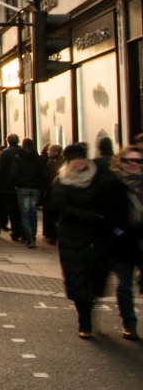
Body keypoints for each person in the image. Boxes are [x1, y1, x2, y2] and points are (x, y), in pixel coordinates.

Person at [52, 142, 128, 339]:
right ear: (68, 162)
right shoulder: (61, 181)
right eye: (74, 159)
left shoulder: (101, 177)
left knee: (97, 277)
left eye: (81, 158)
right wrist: (93, 217)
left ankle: (89, 310)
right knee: (78, 279)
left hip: (99, 236)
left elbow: (114, 199)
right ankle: (84, 321)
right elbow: (62, 208)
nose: (79, 162)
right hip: (73, 238)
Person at [109, 145, 143, 340]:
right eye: (128, 160)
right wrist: (117, 231)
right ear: (119, 162)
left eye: (138, 161)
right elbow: (106, 213)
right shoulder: (113, 184)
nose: (133, 164)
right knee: (124, 286)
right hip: (123, 241)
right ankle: (129, 323)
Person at [11, 137, 47, 248]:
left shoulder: (18, 158)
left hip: (22, 187)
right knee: (33, 213)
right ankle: (33, 237)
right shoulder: (40, 159)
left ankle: (29, 237)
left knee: (25, 214)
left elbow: (14, 173)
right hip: (35, 188)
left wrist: (15, 184)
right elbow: (44, 175)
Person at [0, 133, 22, 240]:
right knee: (19, 209)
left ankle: (15, 231)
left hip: (7, 185)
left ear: (8, 141)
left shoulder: (4, 153)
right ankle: (21, 230)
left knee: (11, 208)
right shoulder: (22, 151)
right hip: (21, 184)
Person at [41, 143, 64, 244]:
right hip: (61, 191)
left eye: (49, 151)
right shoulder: (64, 161)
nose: (48, 152)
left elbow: (46, 177)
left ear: (54, 152)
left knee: (49, 212)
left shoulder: (49, 162)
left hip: (51, 190)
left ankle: (51, 234)